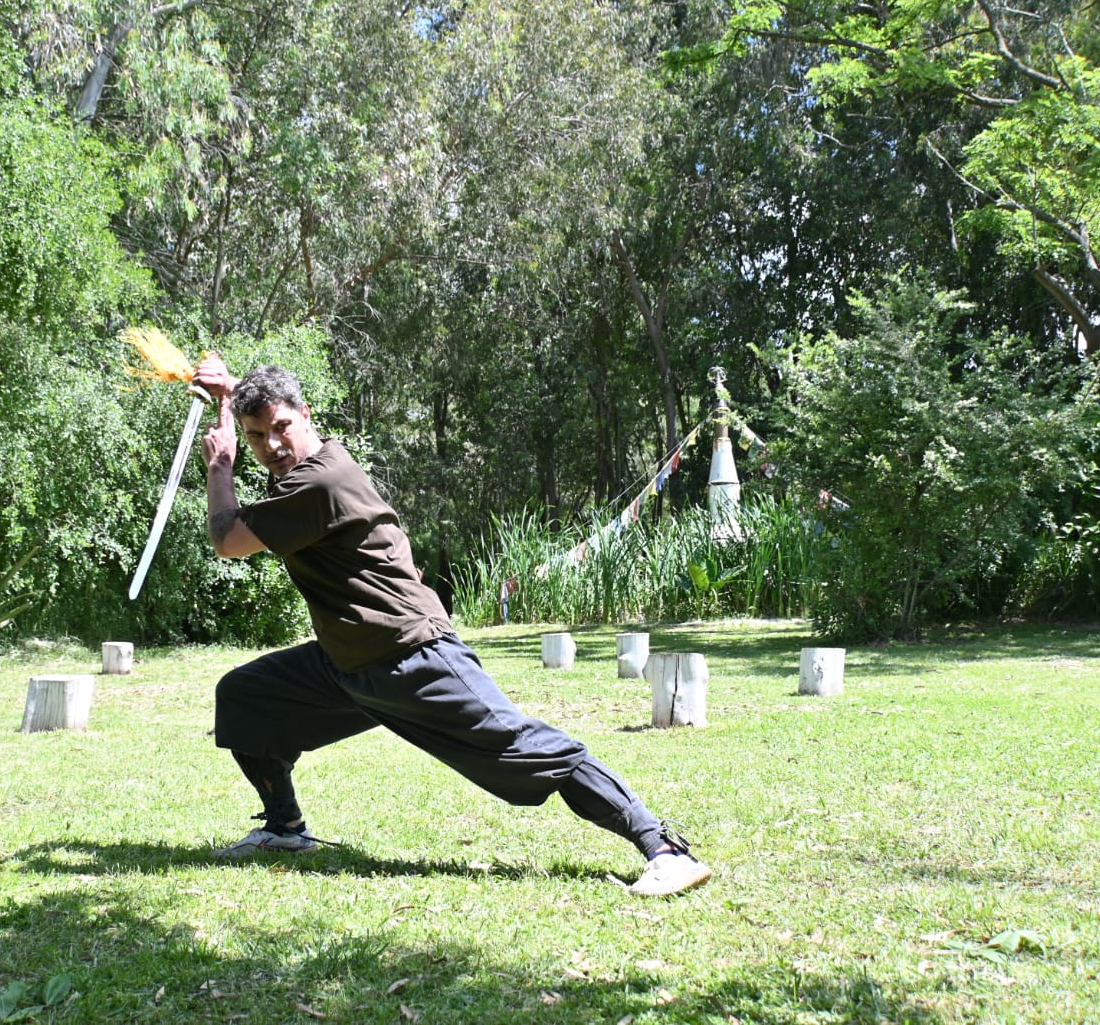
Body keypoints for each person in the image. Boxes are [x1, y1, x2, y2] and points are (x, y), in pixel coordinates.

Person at [190, 358, 711, 897]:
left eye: (281, 428)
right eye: (256, 436)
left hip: (411, 655)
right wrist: (230, 396)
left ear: (306, 414)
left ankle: (664, 849)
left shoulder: (319, 479)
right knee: (245, 697)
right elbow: (256, 445)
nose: (272, 444)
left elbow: (228, 540)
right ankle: (285, 830)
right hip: (346, 663)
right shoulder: (307, 473)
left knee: (527, 747)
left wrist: (221, 463)